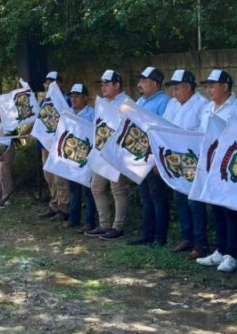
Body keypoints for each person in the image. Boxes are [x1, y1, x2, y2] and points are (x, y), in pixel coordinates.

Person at [195, 69, 237, 273]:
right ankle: (220, 250)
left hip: (228, 166)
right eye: (206, 86)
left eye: (212, 85)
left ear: (225, 86)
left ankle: (232, 255)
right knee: (216, 209)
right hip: (209, 165)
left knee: (231, 211)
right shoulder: (208, 107)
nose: (208, 90)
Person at [164, 70, 210, 256]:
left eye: (177, 88)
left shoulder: (202, 105)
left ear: (189, 87)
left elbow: (204, 132)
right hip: (176, 160)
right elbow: (164, 125)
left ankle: (201, 243)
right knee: (180, 199)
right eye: (173, 89)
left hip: (194, 161)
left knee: (194, 203)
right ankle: (187, 237)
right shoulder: (173, 104)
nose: (174, 92)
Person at [129, 67, 172, 247]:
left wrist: (157, 160)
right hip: (141, 156)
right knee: (145, 196)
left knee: (158, 197)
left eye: (143, 81)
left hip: (154, 157)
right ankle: (147, 233)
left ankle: (159, 237)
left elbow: (163, 133)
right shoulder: (140, 101)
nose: (139, 85)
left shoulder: (165, 103)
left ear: (154, 83)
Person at [88, 70, 132, 240]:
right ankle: (104, 224)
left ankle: (118, 226)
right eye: (102, 84)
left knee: (117, 189)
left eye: (107, 84)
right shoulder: (101, 103)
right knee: (96, 187)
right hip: (101, 152)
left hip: (117, 153)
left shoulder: (127, 103)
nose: (103, 87)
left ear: (117, 85)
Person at [37, 71, 72, 221]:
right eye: (47, 81)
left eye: (52, 81)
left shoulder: (67, 100)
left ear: (60, 83)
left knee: (60, 178)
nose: (48, 84)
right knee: (49, 177)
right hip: (45, 144)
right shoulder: (44, 102)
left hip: (59, 145)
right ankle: (54, 205)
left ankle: (64, 208)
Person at [65, 84, 98, 229]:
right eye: (72, 96)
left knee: (88, 190)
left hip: (87, 157)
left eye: (77, 96)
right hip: (72, 156)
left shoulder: (93, 113)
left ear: (85, 97)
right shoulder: (67, 113)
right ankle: (74, 218)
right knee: (73, 189)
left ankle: (90, 221)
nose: (73, 99)